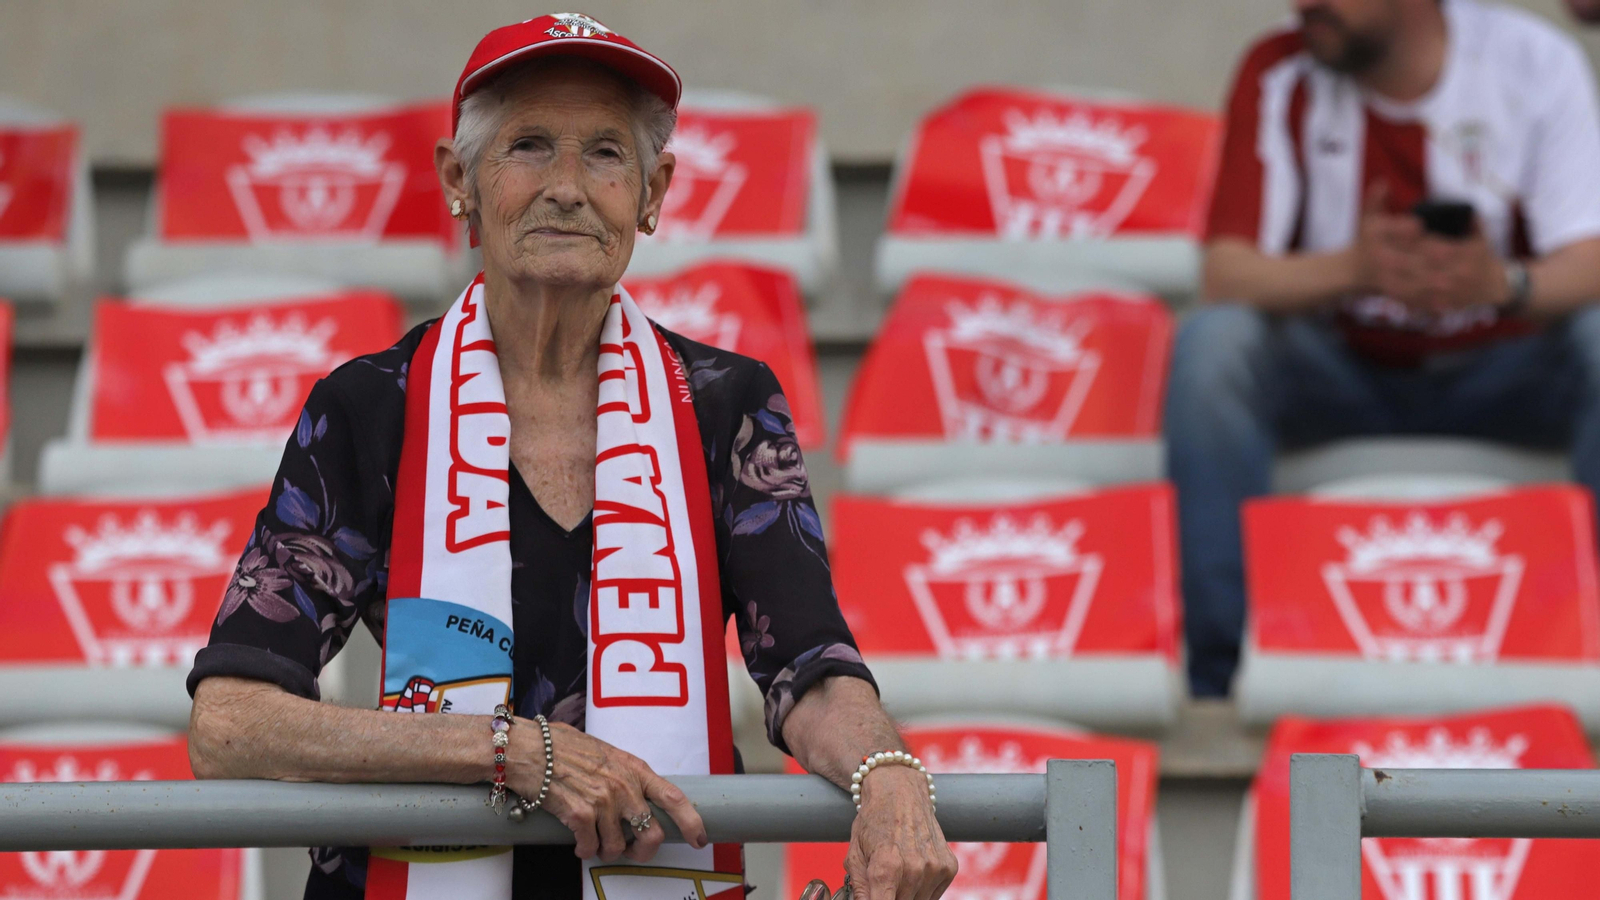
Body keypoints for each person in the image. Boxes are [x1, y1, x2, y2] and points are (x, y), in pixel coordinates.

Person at [185, 14, 957, 900]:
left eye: (603, 154)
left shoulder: (728, 405)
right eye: (529, 146)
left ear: (654, 192)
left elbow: (810, 672)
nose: (565, 188)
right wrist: (509, 751)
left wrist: (888, 771)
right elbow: (232, 723)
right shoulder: (370, 409)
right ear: (459, 182)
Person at [1168, 0, 1600, 696]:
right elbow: (1226, 274)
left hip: (1504, 367)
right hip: (1341, 371)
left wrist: (1503, 284)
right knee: (1215, 347)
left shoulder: (1534, 59)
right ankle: (1218, 684)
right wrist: (1354, 269)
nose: (1305, 5)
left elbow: (1590, 259)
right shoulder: (1279, 66)